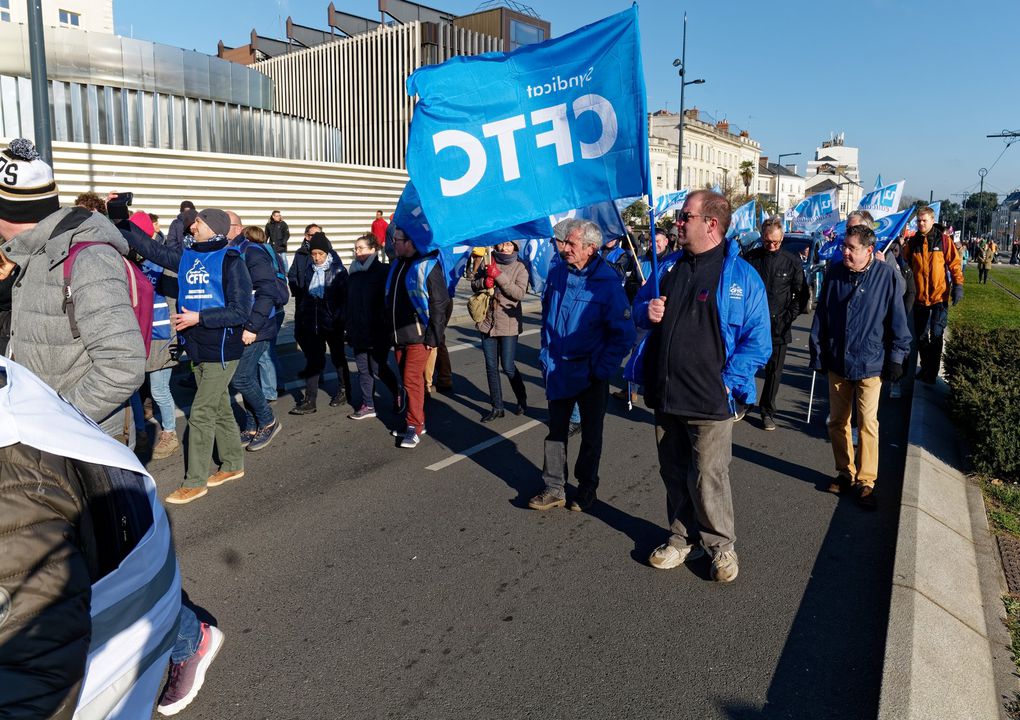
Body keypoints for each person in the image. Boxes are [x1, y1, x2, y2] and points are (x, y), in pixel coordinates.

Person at [0, 355, 223, 719]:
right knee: (102, 590)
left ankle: (190, 640)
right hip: (53, 446)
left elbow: (122, 361)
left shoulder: (15, 473)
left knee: (114, 590)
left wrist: (60, 423)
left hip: (64, 447)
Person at [637, 190, 771, 582]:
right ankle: (681, 539)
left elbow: (757, 341)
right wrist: (645, 312)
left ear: (710, 224)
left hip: (711, 398)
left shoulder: (742, 276)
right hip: (666, 393)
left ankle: (721, 547)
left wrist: (727, 384)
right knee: (673, 472)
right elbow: (636, 314)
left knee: (709, 475)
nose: (677, 222)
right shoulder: (668, 267)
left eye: (684, 217)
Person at [0, 139, 145, 443]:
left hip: (82, 439)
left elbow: (122, 366)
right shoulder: (32, 255)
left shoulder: (89, 259)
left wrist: (55, 417)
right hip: (46, 433)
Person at [126, 208, 253, 504]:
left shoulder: (232, 261)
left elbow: (240, 311)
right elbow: (151, 250)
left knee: (201, 413)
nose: (191, 226)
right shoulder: (187, 256)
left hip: (222, 348)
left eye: (197, 222)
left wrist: (200, 317)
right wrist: (121, 221)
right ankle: (233, 464)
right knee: (220, 407)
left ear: (213, 227)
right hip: (197, 347)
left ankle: (195, 482)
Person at [529, 219, 635, 513]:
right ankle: (553, 487)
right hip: (558, 370)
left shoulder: (607, 284)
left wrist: (601, 369)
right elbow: (547, 317)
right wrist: (545, 354)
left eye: (571, 244)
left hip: (590, 374)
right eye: (564, 243)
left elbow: (623, 335)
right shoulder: (558, 272)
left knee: (591, 436)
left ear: (591, 248)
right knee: (556, 432)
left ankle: (587, 488)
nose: (564, 248)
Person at [810, 224, 912, 508]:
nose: (845, 251)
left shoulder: (886, 277)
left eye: (851, 248)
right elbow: (821, 319)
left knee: (868, 423)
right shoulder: (834, 275)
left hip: (870, 363)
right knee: (837, 421)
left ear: (869, 250)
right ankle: (845, 472)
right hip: (838, 361)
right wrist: (817, 353)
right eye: (844, 246)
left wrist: (896, 359)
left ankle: (866, 480)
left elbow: (898, 323)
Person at [385, 226, 451, 448]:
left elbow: (440, 303)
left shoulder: (427, 265)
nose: (393, 243)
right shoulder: (397, 264)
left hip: (418, 337)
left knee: (411, 380)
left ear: (410, 242)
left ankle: (415, 425)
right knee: (408, 381)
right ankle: (414, 420)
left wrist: (433, 337)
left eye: (397, 239)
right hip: (398, 336)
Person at [126, 211, 183, 460]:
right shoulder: (130, 261)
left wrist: (175, 334)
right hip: (137, 335)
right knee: (133, 389)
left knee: (159, 389)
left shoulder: (164, 260)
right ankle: (140, 433)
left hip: (161, 334)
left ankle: (169, 433)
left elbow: (174, 300)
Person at [742, 215, 808, 430]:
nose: (772, 245)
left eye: (776, 242)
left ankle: (767, 410)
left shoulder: (791, 261)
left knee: (774, 372)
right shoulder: (750, 258)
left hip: (779, 326)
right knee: (745, 366)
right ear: (762, 237)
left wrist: (788, 318)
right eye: (768, 241)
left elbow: (801, 295)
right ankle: (743, 401)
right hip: (751, 326)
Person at [228, 223, 284, 452]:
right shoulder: (234, 250)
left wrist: (252, 326)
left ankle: (268, 419)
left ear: (237, 228)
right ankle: (252, 424)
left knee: (240, 378)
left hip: (259, 325)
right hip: (245, 324)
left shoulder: (251, 251)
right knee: (247, 375)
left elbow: (266, 292)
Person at [290, 231, 351, 414]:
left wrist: (339, 319)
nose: (316, 258)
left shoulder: (339, 271)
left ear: (327, 253)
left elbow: (345, 300)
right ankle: (310, 401)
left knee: (338, 358)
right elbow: (307, 296)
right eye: (314, 254)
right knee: (314, 361)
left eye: (320, 254)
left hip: (333, 323)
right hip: (313, 323)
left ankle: (344, 390)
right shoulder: (309, 270)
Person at [901, 206, 964, 383]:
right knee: (921, 336)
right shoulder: (913, 243)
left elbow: (955, 264)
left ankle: (931, 373)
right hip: (919, 298)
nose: (921, 223)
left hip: (939, 297)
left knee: (936, 334)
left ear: (932, 220)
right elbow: (904, 264)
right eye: (919, 221)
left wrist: (958, 285)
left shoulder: (943, 241)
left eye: (924, 220)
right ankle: (927, 367)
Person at [470, 240, 529, 421]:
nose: (505, 248)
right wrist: (483, 282)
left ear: (516, 247)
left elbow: (519, 294)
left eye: (509, 245)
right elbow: (474, 284)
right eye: (502, 244)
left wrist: (498, 276)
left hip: (509, 323)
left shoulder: (520, 267)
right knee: (491, 367)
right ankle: (497, 407)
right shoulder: (489, 261)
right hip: (487, 321)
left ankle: (521, 397)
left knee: (508, 367)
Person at [345, 234, 401, 419]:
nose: (357, 251)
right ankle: (368, 404)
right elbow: (349, 302)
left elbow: (389, 301)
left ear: (372, 250)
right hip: (357, 330)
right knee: (362, 369)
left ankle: (398, 393)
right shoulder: (353, 273)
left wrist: (386, 324)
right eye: (355, 248)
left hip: (377, 331)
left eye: (360, 248)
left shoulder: (383, 271)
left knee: (378, 368)